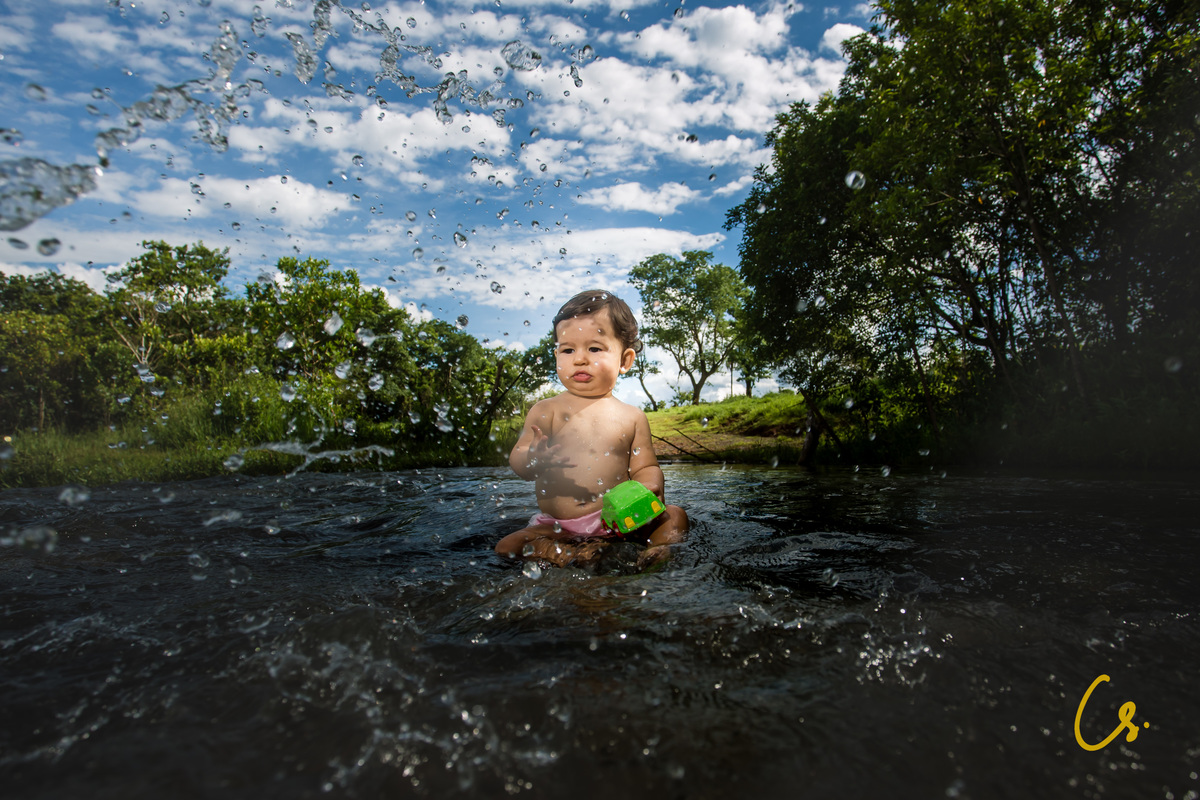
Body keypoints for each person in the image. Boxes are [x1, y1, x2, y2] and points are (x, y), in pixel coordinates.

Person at [495, 290, 689, 567]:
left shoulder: (632, 416)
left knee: (675, 514)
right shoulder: (546, 410)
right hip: (559, 526)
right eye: (568, 349)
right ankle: (571, 554)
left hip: (618, 521)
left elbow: (644, 465)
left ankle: (657, 551)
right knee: (509, 545)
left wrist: (651, 484)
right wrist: (534, 459)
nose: (579, 359)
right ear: (556, 355)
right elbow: (519, 460)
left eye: (594, 348)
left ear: (625, 360)